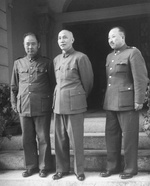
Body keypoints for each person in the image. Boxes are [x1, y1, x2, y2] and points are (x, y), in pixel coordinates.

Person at [100, 26, 148, 179]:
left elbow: (140, 78)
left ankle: (130, 169)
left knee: (129, 137)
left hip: (127, 102)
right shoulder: (109, 57)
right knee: (111, 137)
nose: (111, 40)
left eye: (113, 37)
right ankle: (112, 166)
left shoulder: (133, 52)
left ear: (122, 37)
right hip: (110, 102)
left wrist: (139, 100)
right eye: (109, 38)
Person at [11, 32, 55, 178]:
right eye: (27, 44)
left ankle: (44, 167)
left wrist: (52, 103)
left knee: (43, 138)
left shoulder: (47, 63)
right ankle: (31, 166)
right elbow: (14, 86)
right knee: (27, 138)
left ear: (38, 45)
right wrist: (13, 102)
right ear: (24, 46)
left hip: (42, 106)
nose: (30, 46)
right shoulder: (18, 63)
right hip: (23, 105)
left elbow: (53, 85)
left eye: (33, 43)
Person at [52, 30, 93, 181]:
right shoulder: (56, 60)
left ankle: (79, 171)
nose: (62, 40)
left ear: (72, 39)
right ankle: (61, 169)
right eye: (59, 38)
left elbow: (88, 82)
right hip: (58, 104)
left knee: (76, 140)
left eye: (65, 37)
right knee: (59, 140)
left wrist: (78, 97)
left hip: (75, 104)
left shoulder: (81, 57)